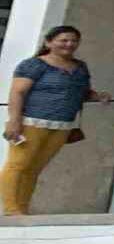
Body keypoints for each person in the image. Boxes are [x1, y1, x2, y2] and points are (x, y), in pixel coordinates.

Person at [3, 24, 90, 216]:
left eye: (74, 41)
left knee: (34, 169)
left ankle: (22, 209)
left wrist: (99, 95)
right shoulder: (33, 65)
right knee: (17, 165)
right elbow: (17, 92)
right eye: (63, 40)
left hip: (62, 126)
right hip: (31, 123)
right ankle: (11, 210)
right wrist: (14, 121)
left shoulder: (80, 67)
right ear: (49, 42)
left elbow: (81, 92)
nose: (69, 44)